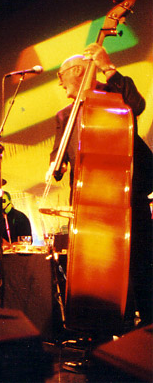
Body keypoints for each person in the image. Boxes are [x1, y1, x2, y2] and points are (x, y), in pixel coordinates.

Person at [50, 42, 153, 327]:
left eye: (61, 76)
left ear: (78, 71)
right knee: (98, 275)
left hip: (127, 200)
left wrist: (107, 67)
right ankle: (104, 334)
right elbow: (58, 153)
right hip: (88, 207)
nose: (60, 83)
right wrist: (55, 165)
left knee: (143, 272)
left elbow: (137, 105)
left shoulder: (115, 96)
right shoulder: (64, 116)